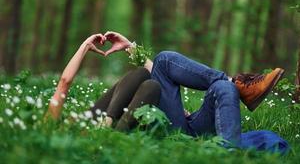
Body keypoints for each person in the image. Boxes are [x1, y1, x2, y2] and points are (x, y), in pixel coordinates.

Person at [46, 31, 288, 153]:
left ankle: (233, 88)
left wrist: (131, 48)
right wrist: (83, 47)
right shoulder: (64, 131)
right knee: (160, 64)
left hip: (189, 124)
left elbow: (150, 80)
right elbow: (64, 82)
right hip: (173, 130)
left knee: (223, 88)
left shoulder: (90, 116)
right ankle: (237, 90)